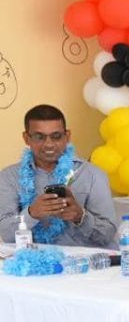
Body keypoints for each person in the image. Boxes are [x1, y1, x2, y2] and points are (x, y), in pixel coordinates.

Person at [0, 104, 116, 248]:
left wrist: (80, 216)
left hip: (86, 264)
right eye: (39, 137)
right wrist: (31, 214)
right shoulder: (9, 177)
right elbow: (5, 233)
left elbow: (108, 234)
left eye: (56, 136)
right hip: (35, 263)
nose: (49, 144)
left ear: (67, 136)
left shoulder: (92, 174)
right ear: (26, 138)